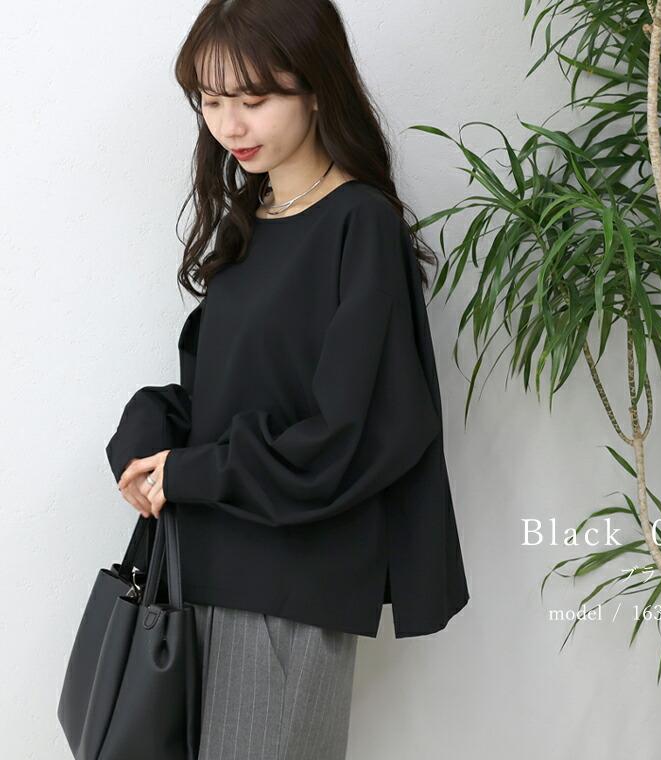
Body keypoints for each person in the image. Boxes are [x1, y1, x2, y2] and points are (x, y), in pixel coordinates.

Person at [104, 0, 470, 757]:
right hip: (198, 571)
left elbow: (355, 433)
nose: (229, 125)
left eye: (253, 98)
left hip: (286, 586)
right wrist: (148, 439)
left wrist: (193, 472)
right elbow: (221, 397)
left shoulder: (359, 224)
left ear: (317, 88)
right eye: (211, 101)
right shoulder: (251, 220)